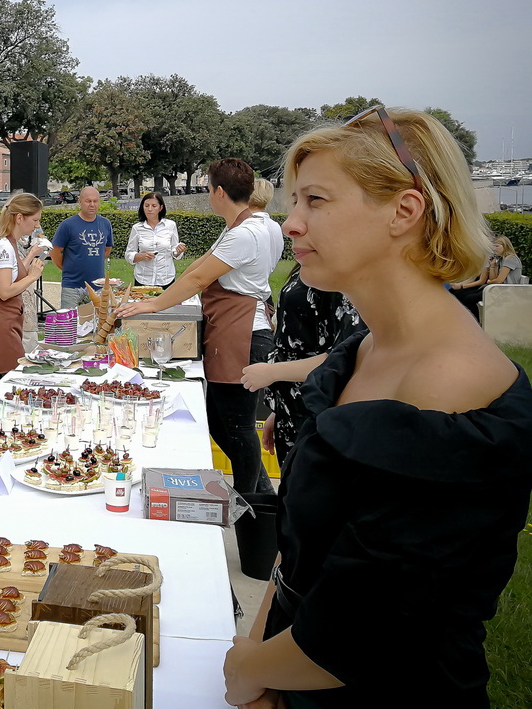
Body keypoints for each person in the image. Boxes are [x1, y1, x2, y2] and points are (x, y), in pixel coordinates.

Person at [223, 107, 532, 708]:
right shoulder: (363, 352)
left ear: (404, 211)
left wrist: (250, 668)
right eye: (294, 201)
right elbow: (298, 550)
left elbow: (365, 630)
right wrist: (260, 656)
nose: (292, 223)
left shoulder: (449, 384)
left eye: (315, 200)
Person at [117, 158, 281, 495]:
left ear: (219, 192)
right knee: (219, 420)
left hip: (243, 334)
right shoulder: (246, 227)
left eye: (208, 189)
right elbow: (200, 266)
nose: (208, 195)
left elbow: (198, 279)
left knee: (237, 427)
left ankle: (252, 500)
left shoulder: (245, 234)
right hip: (235, 329)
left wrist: (151, 305)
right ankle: (259, 490)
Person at [239, 265, 366, 466]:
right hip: (292, 409)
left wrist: (273, 372)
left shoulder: (342, 278)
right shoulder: (312, 265)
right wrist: (278, 408)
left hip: (316, 413)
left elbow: (345, 357)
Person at [0, 193, 46, 392]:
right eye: (34, 220)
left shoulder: (8, 244)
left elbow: (13, 275)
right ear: (19, 218)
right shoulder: (4, 247)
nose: (37, 226)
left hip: (4, 321)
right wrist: (32, 277)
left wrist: (31, 255)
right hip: (1, 324)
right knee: (13, 382)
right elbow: (5, 291)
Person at [50, 185, 114, 308]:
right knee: (70, 319)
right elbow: (55, 251)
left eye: (95, 201)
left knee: (97, 319)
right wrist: (66, 267)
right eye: (88, 201)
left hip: (97, 286)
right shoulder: (68, 225)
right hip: (72, 287)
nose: (92, 205)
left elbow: (107, 249)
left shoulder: (105, 224)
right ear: (80, 202)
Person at [450, 234, 525, 318]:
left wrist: (489, 281)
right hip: (498, 289)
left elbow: (499, 280)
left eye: (497, 246)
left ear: (505, 246)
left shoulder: (510, 259)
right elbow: (494, 278)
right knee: (463, 296)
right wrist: (493, 266)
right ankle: (473, 318)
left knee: (469, 298)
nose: (494, 249)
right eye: (494, 246)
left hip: (506, 291)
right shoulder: (501, 259)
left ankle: (477, 320)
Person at [124, 191, 186, 286]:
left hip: (166, 279)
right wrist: (141, 256)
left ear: (160, 208)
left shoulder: (170, 225)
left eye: (154, 206)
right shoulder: (137, 228)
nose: (150, 209)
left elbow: (174, 251)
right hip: (143, 279)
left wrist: (179, 251)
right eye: (146, 206)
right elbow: (129, 254)